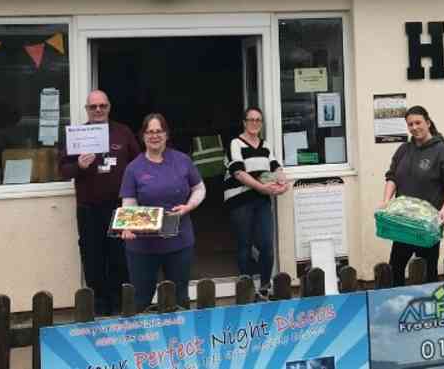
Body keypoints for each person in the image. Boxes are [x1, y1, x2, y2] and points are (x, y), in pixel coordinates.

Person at [59, 90, 140, 316]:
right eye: (93, 107)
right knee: (92, 257)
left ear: (109, 107)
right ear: (87, 109)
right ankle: (100, 305)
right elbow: (63, 169)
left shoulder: (123, 132)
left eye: (102, 106)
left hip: (119, 207)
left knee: (120, 256)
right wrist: (80, 167)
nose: (98, 110)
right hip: (89, 208)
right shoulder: (77, 135)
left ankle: (120, 305)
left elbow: (138, 165)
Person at [120, 113, 205, 310]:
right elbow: (129, 203)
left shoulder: (182, 160)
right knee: (140, 299)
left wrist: (189, 206)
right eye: (149, 132)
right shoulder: (134, 168)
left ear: (166, 134)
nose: (154, 136)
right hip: (143, 247)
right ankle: (144, 339)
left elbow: (200, 188)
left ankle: (179, 339)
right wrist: (128, 226)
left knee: (179, 298)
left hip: (179, 242)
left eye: (158, 131)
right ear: (143, 136)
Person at [382, 105, 444, 286]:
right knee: (395, 269)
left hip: (428, 225)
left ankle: (429, 310)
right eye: (410, 124)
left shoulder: (443, 151)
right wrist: (386, 202)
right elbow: (392, 177)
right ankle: (398, 307)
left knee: (428, 273)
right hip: (402, 223)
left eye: (418, 122)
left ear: (428, 122)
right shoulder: (403, 150)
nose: (414, 127)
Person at [224, 106, 288, 298]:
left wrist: (283, 183)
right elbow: (238, 172)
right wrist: (260, 187)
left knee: (267, 245)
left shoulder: (265, 145)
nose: (254, 123)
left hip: (261, 201)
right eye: (250, 119)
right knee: (244, 245)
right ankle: (247, 290)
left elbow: (276, 168)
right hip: (240, 200)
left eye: (258, 120)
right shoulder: (235, 143)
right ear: (244, 122)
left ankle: (264, 288)